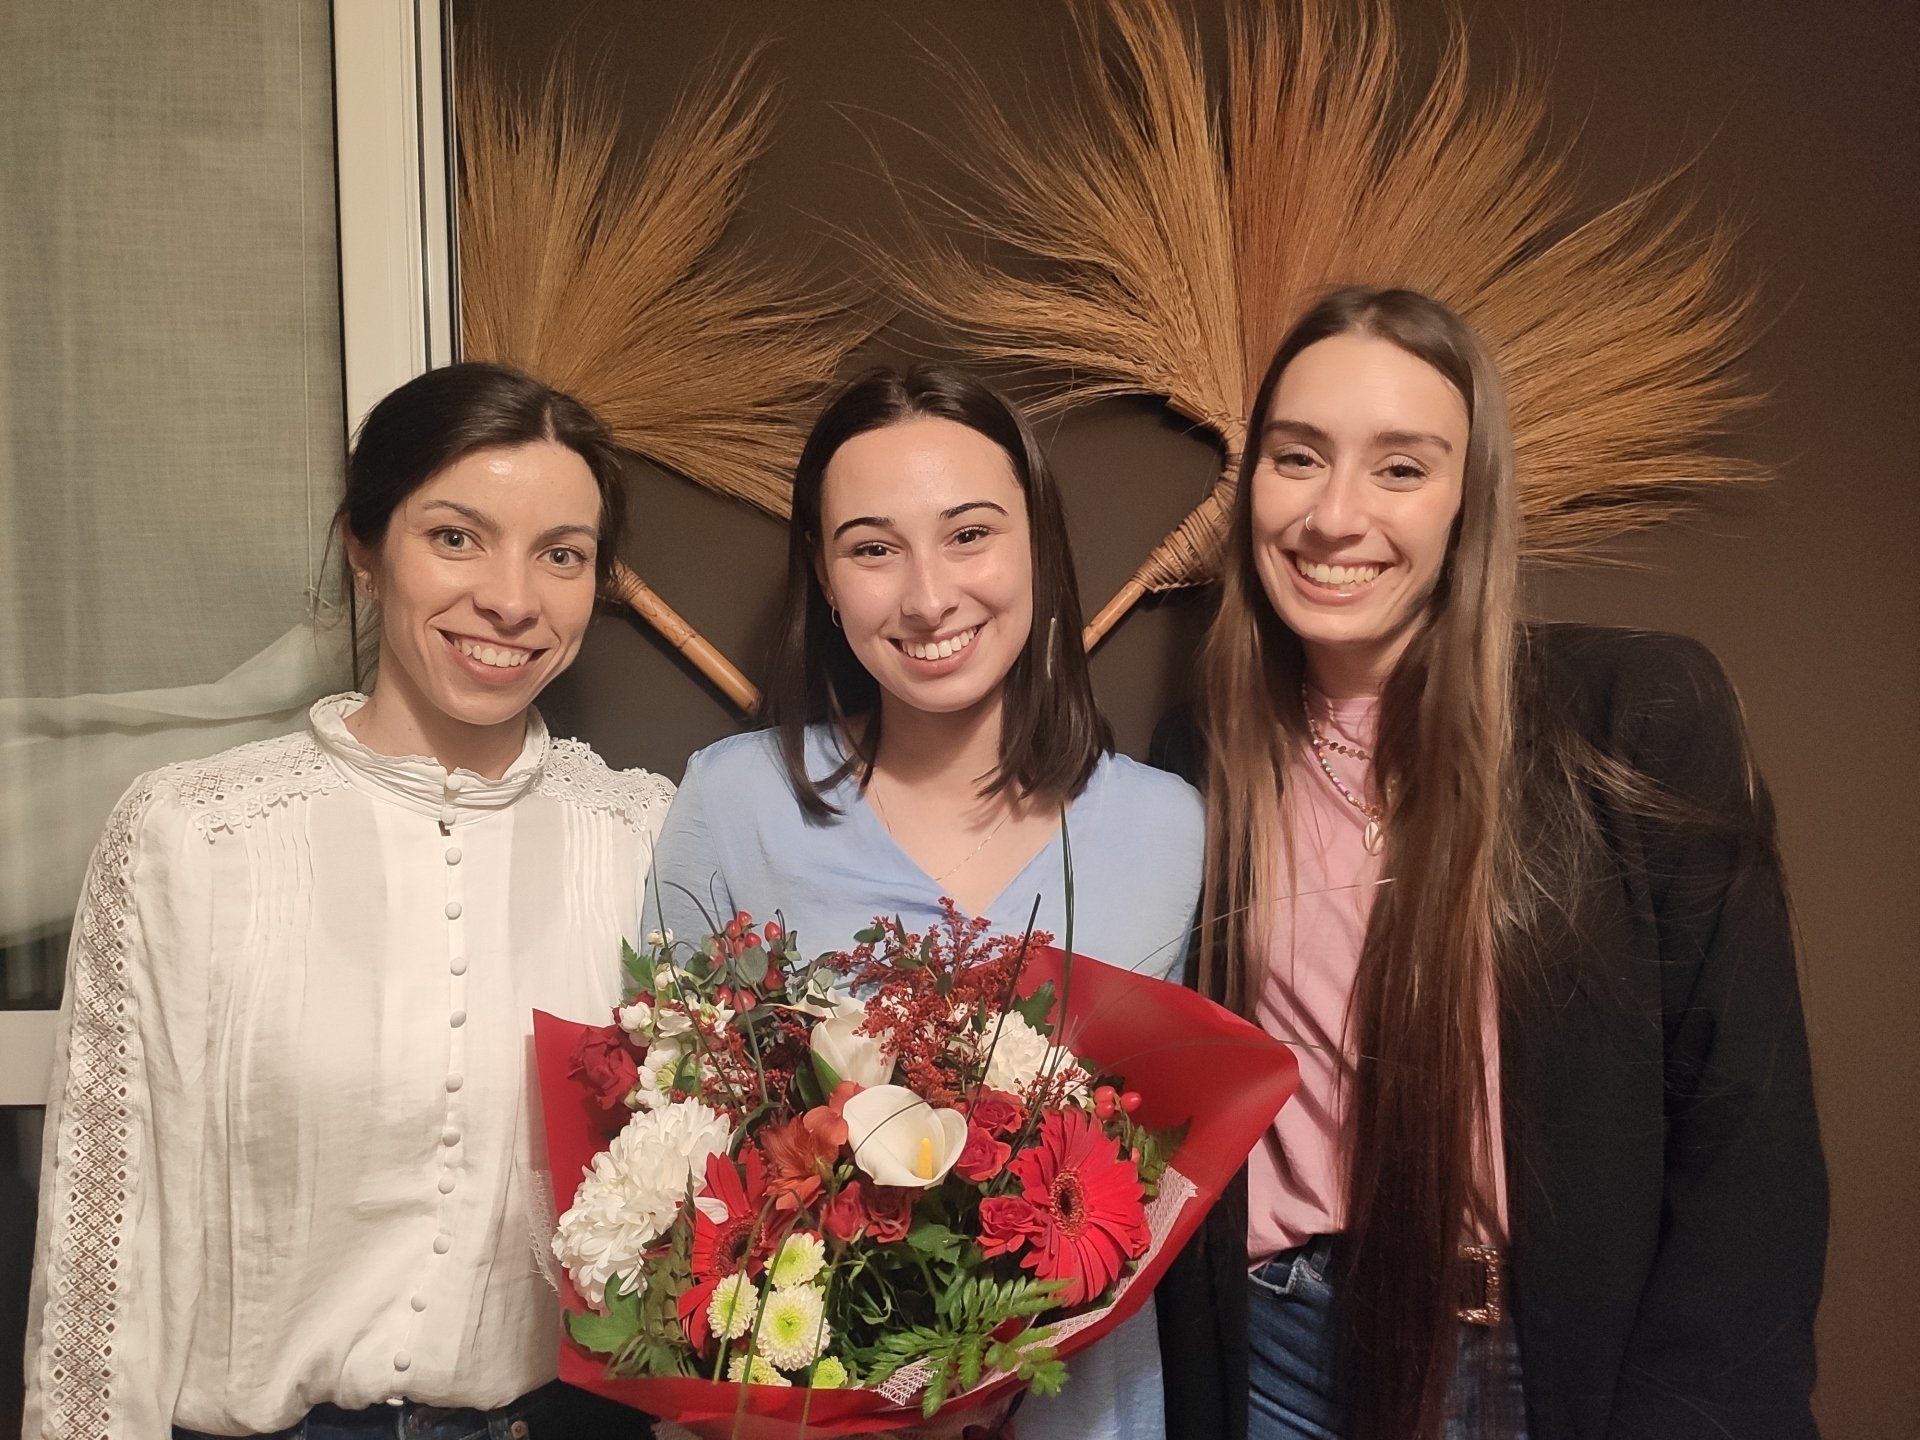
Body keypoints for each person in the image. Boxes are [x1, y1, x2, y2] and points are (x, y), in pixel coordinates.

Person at [1152, 288, 1826, 1440]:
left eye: (1400, 469)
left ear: (1469, 499)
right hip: (1277, 1353)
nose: (1335, 515)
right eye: (1298, 457)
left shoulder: (1637, 714)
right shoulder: (1202, 758)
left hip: (1538, 1366)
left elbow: (1749, 1148)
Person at [23, 363, 669, 1438]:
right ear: (366, 552)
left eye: (561, 554)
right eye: (456, 537)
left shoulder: (647, 837)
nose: (513, 599)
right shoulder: (196, 835)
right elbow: (110, 1252)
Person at [642, 364, 1205, 1440]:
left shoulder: (1167, 828)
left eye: (970, 534)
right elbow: (668, 1153)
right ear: (824, 575)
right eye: (872, 548)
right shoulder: (734, 800)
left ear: (1039, 546)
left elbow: (1166, 1167)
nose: (928, 597)